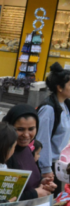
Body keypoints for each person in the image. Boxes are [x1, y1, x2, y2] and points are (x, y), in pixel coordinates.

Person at [2, 104, 56, 200]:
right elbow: (3, 198)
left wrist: (42, 184)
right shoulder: (5, 155)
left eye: (31, 129)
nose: (26, 135)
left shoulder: (28, 149)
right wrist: (35, 193)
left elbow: (28, 183)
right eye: (20, 129)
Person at [36, 63, 70, 195]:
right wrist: (46, 169)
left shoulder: (66, 106)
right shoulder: (49, 109)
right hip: (48, 167)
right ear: (59, 88)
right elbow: (42, 140)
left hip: (60, 165)